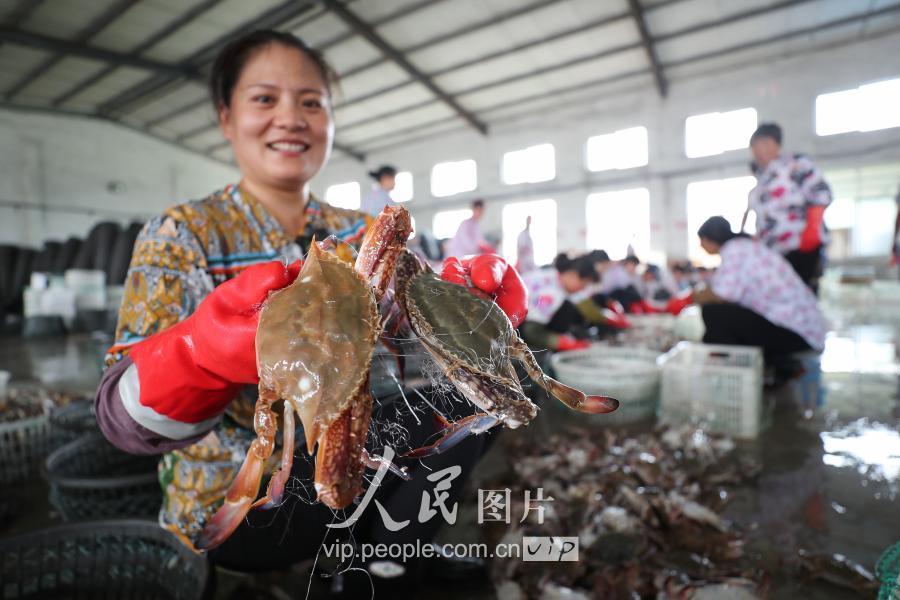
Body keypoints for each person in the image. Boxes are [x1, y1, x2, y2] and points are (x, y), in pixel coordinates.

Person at [92, 30, 527, 582]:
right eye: (265, 98)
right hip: (239, 498)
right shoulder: (182, 234)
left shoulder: (362, 231)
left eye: (312, 102)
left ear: (331, 122)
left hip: (349, 444)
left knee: (488, 400)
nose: (291, 117)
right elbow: (119, 424)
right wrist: (193, 357)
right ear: (226, 118)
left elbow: (404, 339)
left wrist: (466, 315)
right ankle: (368, 559)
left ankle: (385, 560)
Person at [686, 216, 825, 367]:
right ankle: (771, 365)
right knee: (721, 313)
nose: (701, 246)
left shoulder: (734, 250)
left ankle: (732, 371)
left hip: (797, 333)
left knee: (713, 313)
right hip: (804, 329)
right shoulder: (746, 246)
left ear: (709, 238)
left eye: (701, 241)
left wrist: (694, 298)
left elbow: (723, 295)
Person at [744, 122, 832, 292]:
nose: (756, 152)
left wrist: (812, 229)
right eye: (753, 148)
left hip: (800, 246)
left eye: (760, 145)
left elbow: (820, 192)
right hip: (774, 252)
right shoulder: (763, 177)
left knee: (801, 294)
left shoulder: (796, 164)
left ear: (774, 143)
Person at [520, 253, 629, 353]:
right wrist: (562, 343)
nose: (583, 288)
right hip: (516, 330)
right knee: (567, 308)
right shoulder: (552, 293)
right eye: (584, 283)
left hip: (518, 323)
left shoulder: (552, 276)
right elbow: (531, 331)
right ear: (573, 275)